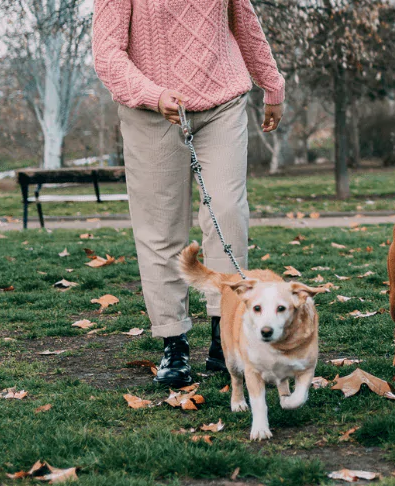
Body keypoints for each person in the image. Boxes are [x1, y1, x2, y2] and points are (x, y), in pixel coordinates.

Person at [93, 0, 285, 387]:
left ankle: (225, 332)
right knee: (161, 228)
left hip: (222, 102)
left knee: (228, 212)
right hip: (150, 112)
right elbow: (107, 54)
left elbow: (244, 23)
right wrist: (151, 93)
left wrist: (273, 84)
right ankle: (174, 342)